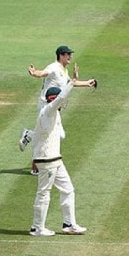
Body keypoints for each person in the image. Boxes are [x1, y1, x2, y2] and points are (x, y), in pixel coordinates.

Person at [20, 45, 96, 174]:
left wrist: (87, 83)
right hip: (46, 106)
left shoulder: (63, 70)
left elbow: (70, 83)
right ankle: (36, 165)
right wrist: (34, 73)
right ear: (61, 55)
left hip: (55, 108)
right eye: (68, 54)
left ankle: (29, 136)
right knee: (47, 135)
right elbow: (43, 73)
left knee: (58, 135)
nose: (70, 57)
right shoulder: (54, 67)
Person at [29, 83, 87, 236]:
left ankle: (69, 224)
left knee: (68, 189)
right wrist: (72, 83)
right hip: (48, 160)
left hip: (55, 158)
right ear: (54, 100)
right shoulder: (48, 111)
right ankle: (37, 228)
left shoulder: (54, 114)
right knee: (44, 193)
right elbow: (60, 99)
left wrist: (33, 158)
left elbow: (36, 137)